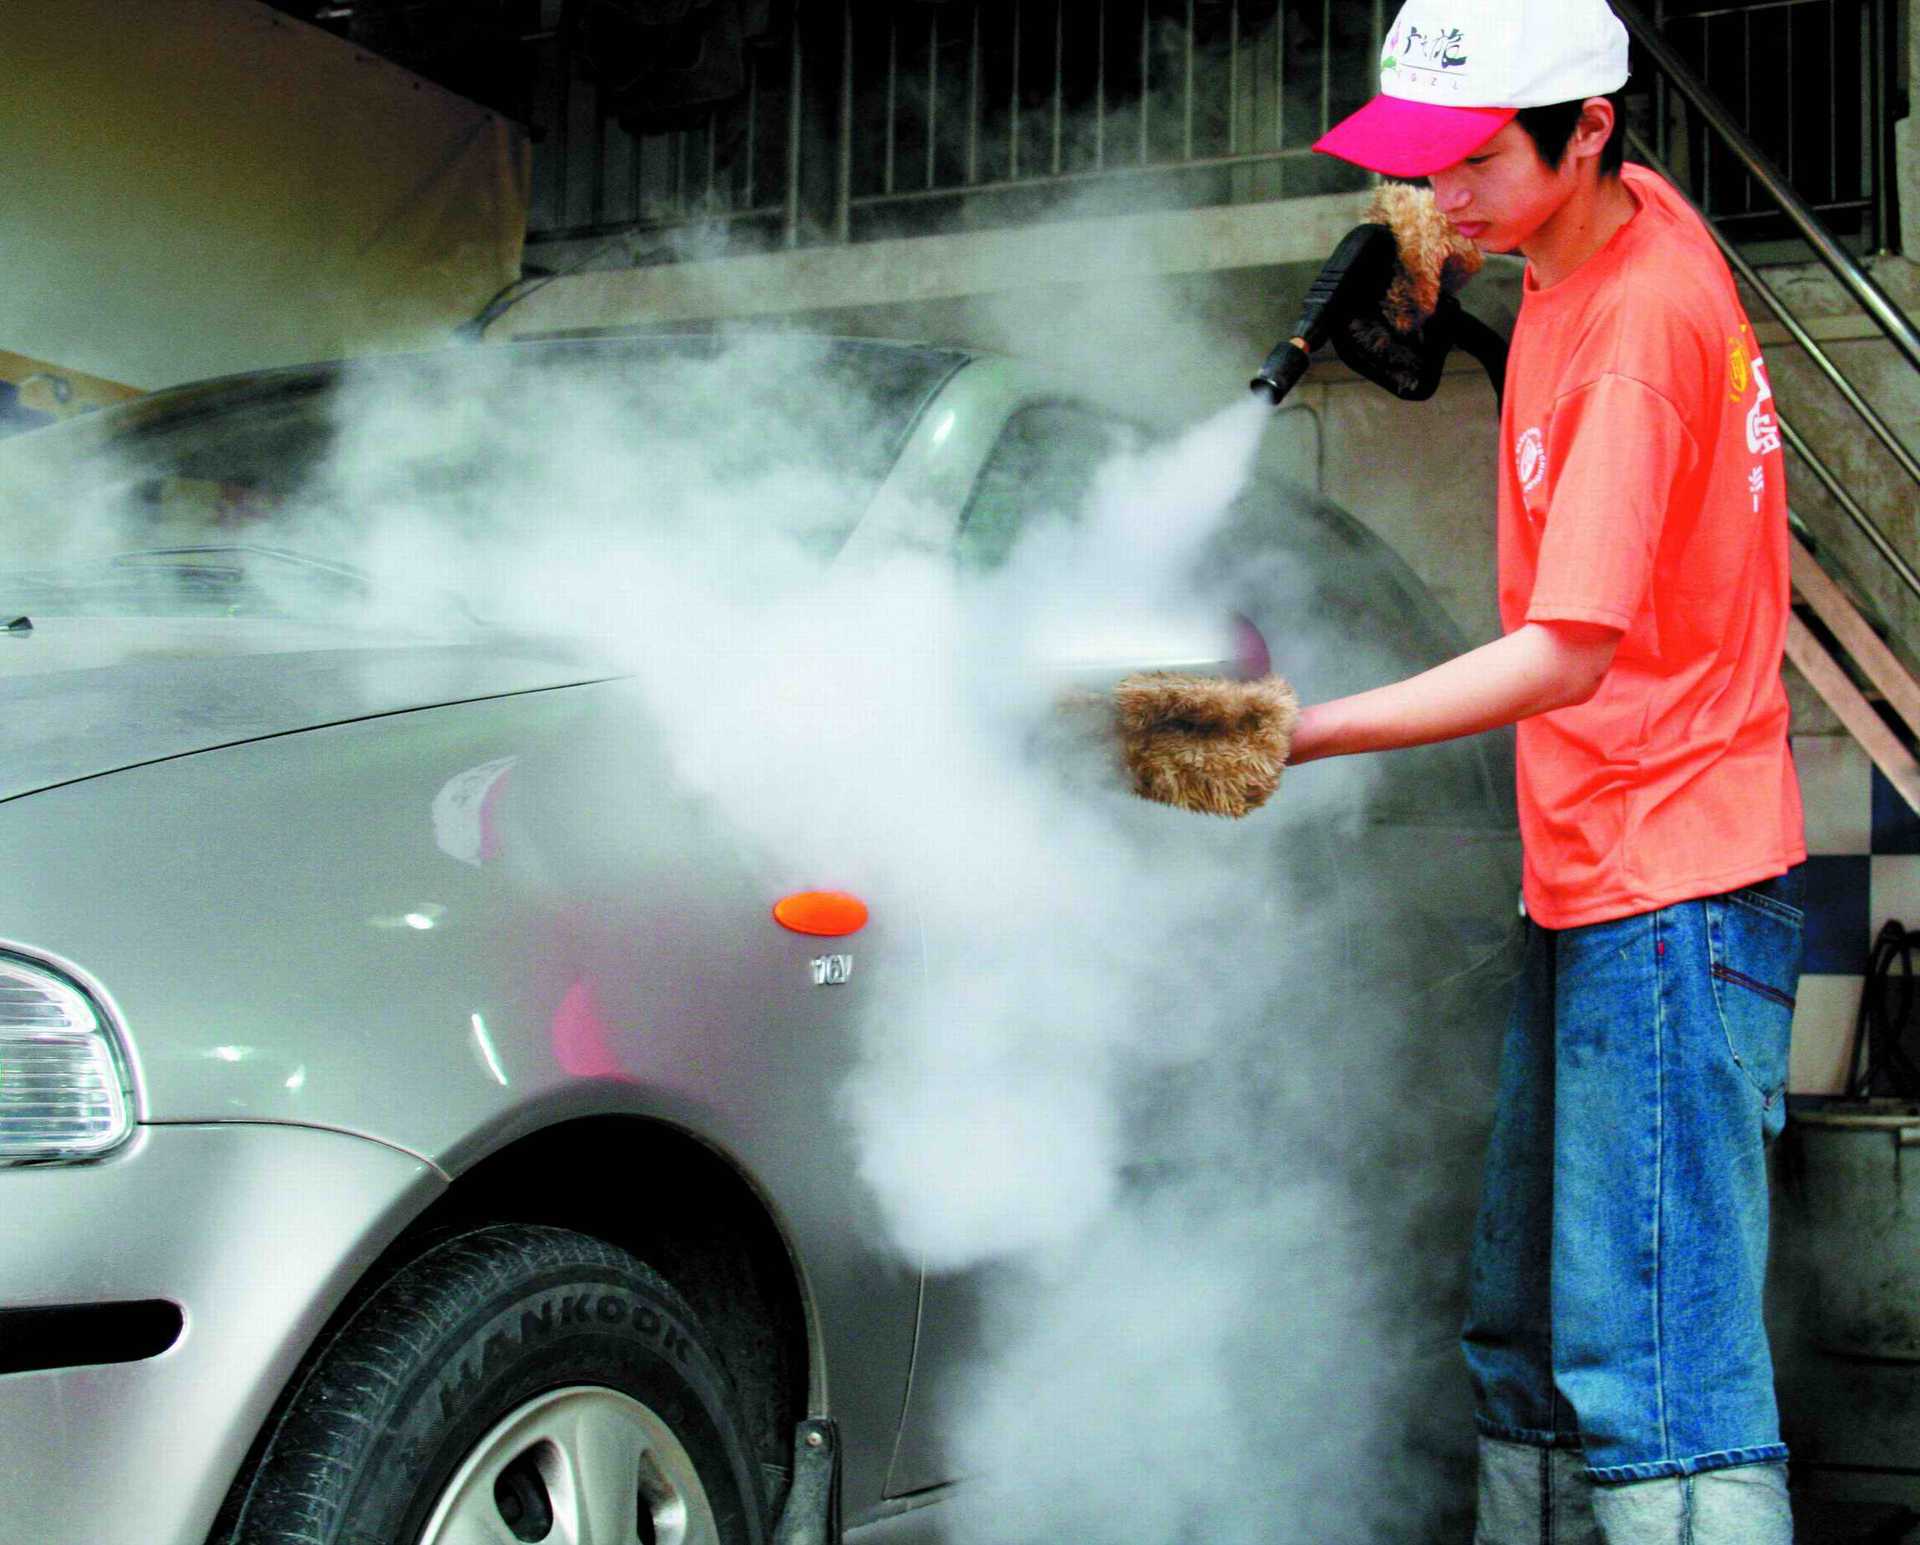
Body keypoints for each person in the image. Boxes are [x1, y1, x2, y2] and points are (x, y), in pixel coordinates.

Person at [1299, 2, 1808, 1541]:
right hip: (1591, 872)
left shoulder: (1642, 328)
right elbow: (1507, 212)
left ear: (1589, 128)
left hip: (1671, 886)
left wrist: (1305, 731)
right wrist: (1444, 238)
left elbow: (1564, 655)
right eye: (1419, 165)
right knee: (1524, 1339)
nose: (1440, 194)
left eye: (1470, 162)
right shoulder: (1605, 223)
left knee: (1654, 1382)